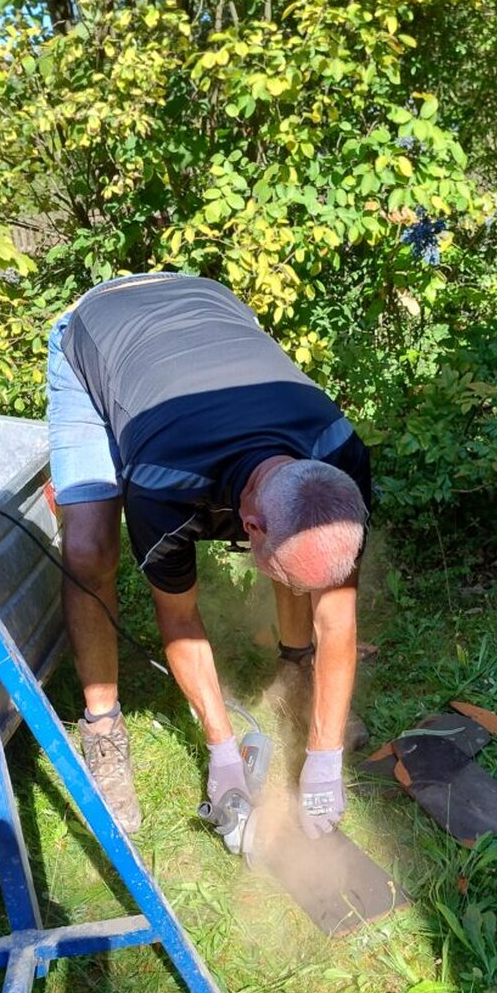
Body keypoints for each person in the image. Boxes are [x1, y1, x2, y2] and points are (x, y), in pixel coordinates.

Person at [46, 272, 370, 839]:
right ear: (246, 528)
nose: (297, 593)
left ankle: (295, 677)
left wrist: (326, 760)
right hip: (97, 339)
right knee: (89, 547)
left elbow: (337, 616)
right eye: (287, 582)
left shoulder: (341, 455)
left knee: (302, 552)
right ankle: (102, 728)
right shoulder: (163, 485)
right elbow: (180, 619)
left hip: (207, 304)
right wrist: (223, 753)